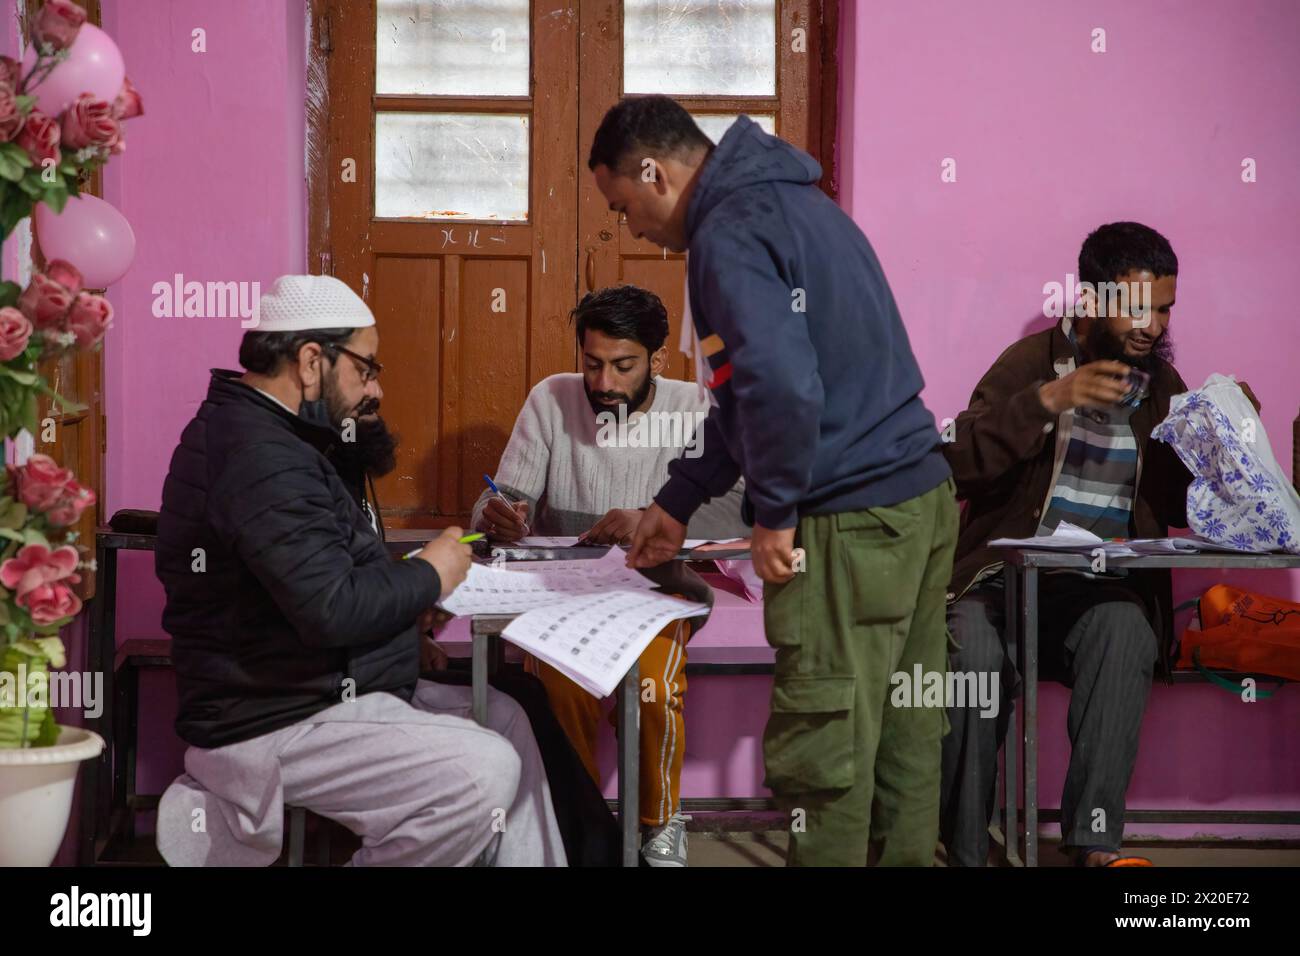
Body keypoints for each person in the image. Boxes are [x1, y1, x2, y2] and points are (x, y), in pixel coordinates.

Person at [591, 96, 958, 866]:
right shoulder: (801, 204)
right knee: (905, 730)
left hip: (850, 520)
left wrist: (779, 511)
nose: (632, 230)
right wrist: (678, 499)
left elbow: (782, 388)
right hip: (918, 498)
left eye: (624, 207)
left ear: (654, 172)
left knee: (825, 752)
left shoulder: (726, 235)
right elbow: (745, 390)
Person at [153, 274, 566, 866]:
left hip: (319, 688)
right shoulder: (259, 455)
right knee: (482, 770)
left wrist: (409, 603)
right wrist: (431, 572)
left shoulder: (276, 438)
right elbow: (331, 609)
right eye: (365, 367)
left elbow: (319, 577)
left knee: (508, 720)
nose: (372, 386)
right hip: (275, 716)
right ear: (312, 360)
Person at [939, 222, 1257, 866]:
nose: (1153, 323)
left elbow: (1173, 506)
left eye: (1165, 308)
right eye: (1139, 307)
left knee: (1127, 633)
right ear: (1091, 301)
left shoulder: (1161, 385)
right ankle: (965, 847)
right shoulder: (1028, 363)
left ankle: (1093, 844)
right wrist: (1048, 401)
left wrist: (1226, 435)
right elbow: (958, 460)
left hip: (1097, 590)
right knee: (968, 650)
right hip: (999, 586)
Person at [471, 283, 744, 865]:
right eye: (592, 364)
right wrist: (498, 514)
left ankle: (659, 820)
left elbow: (739, 502)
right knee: (559, 686)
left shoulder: (692, 406)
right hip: (561, 588)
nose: (604, 383)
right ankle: (580, 821)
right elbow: (501, 500)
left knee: (652, 686)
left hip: (655, 585)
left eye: (624, 366)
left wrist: (655, 514)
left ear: (657, 361)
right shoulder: (551, 399)